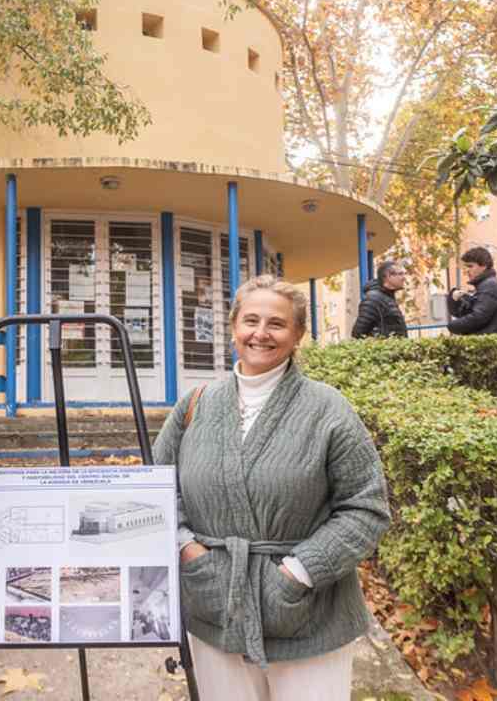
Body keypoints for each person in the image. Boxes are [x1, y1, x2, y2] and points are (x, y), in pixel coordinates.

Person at [154, 274, 390, 701]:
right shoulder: (194, 406)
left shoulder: (328, 409)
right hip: (214, 605)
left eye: (277, 324)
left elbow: (365, 507)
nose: (261, 333)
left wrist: (297, 573)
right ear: (233, 327)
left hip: (308, 614)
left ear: (298, 334)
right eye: (251, 320)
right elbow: (156, 491)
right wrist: (189, 551)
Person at [446, 247, 497, 335]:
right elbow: (466, 314)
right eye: (466, 267)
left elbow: (478, 318)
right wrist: (456, 300)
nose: (467, 271)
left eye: (470, 266)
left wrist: (451, 326)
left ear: (484, 266)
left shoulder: (490, 286)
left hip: (487, 344)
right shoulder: (484, 285)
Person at [351, 260, 408, 339]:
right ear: (388, 276)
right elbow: (357, 333)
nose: (404, 278)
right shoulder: (373, 299)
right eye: (401, 274)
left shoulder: (387, 297)